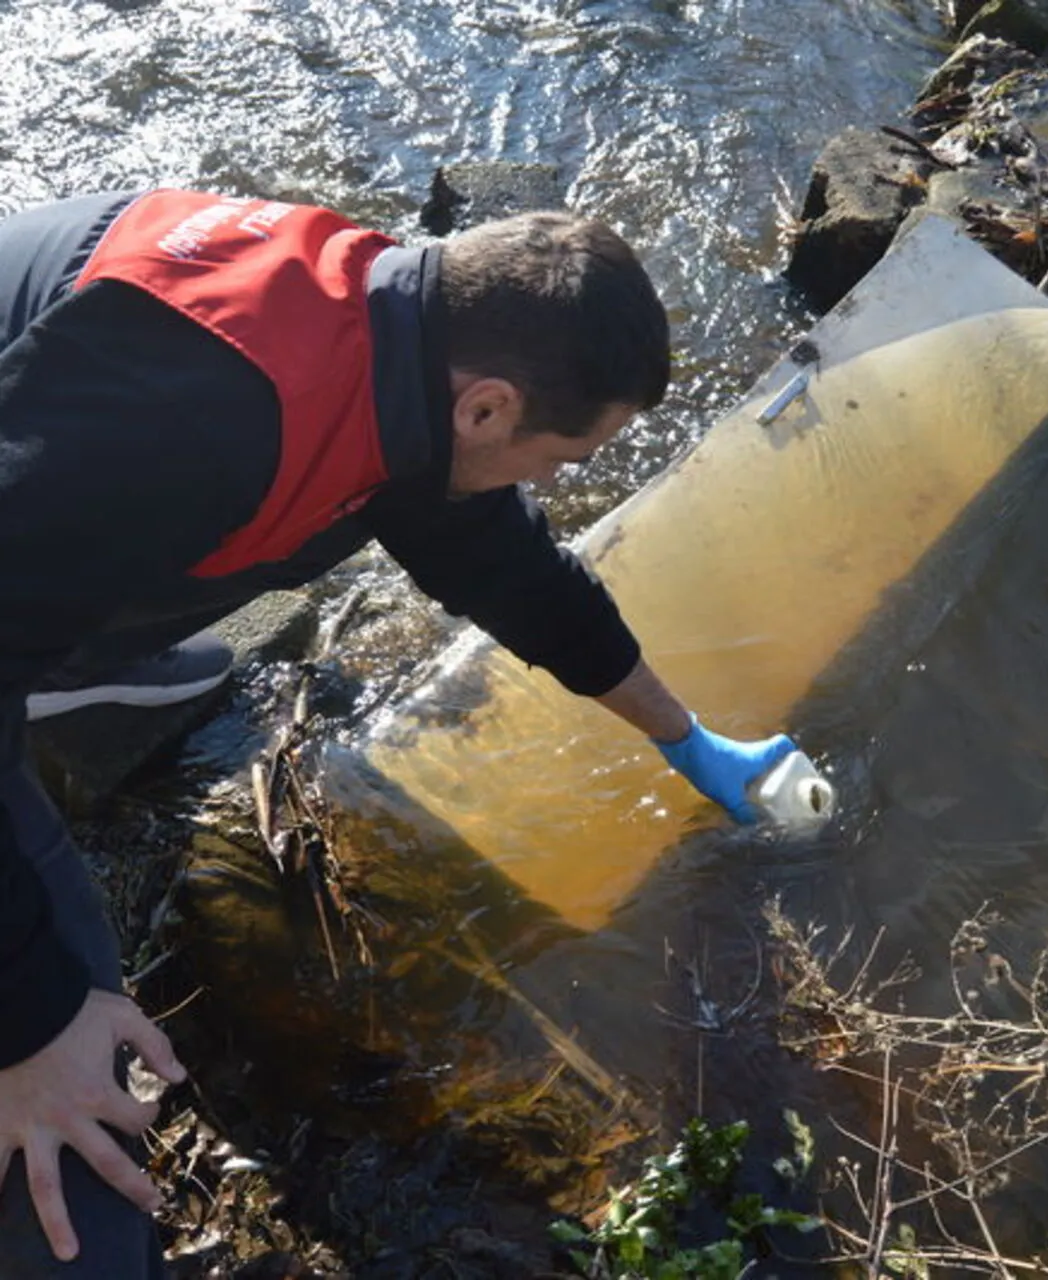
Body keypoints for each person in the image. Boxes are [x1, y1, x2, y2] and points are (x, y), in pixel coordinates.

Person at [0, 188, 796, 1275]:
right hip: (46, 491)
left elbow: (516, 575)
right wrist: (33, 1022)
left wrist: (687, 739)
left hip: (40, 505)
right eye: (561, 459)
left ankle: (63, 658)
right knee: (78, 1128)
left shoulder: (402, 338)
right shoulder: (195, 417)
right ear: (488, 410)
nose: (552, 482)